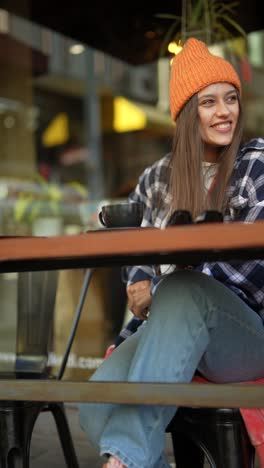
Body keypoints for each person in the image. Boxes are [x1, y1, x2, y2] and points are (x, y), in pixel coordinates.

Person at [79, 37, 264, 468]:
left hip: (244, 337)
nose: (224, 112)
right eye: (209, 102)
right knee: (95, 405)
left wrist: (159, 287)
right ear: (185, 114)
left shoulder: (256, 164)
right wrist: (139, 279)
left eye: (231, 99)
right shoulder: (158, 178)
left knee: (183, 289)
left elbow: (249, 269)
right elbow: (139, 249)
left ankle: (120, 464)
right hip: (170, 328)